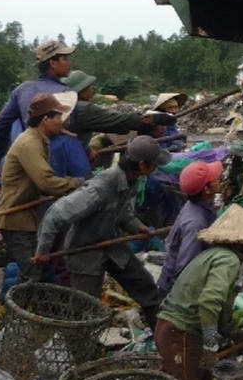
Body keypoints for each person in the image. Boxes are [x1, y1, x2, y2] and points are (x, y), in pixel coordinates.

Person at [32, 134, 171, 324]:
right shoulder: (102, 186)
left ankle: (161, 334)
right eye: (154, 164)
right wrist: (43, 250)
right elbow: (55, 214)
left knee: (145, 286)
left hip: (110, 245)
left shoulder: (132, 180)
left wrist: (136, 227)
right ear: (142, 165)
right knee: (84, 308)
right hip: (85, 251)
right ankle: (79, 349)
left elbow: (122, 214)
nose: (155, 168)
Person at [155, 204, 243, 380]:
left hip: (176, 330)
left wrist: (231, 333)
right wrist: (210, 343)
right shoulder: (229, 260)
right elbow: (209, 302)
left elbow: (217, 306)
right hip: (180, 333)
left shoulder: (214, 255)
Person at [0, 93, 83, 273]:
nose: (63, 121)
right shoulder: (30, 144)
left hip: (28, 216)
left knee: (36, 272)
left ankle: (24, 299)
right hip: (16, 220)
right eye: (58, 117)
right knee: (34, 273)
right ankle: (21, 300)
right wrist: (78, 183)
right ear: (45, 119)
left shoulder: (39, 139)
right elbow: (47, 183)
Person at [0, 40, 75, 164]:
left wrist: (0, 160)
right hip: (57, 162)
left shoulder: (22, 89)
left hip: (28, 157)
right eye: (65, 59)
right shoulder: (66, 93)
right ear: (53, 63)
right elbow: (71, 131)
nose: (69, 63)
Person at [155, 159, 223, 297]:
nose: (218, 179)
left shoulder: (198, 205)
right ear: (206, 189)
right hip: (176, 289)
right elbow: (185, 266)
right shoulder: (196, 223)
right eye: (214, 179)